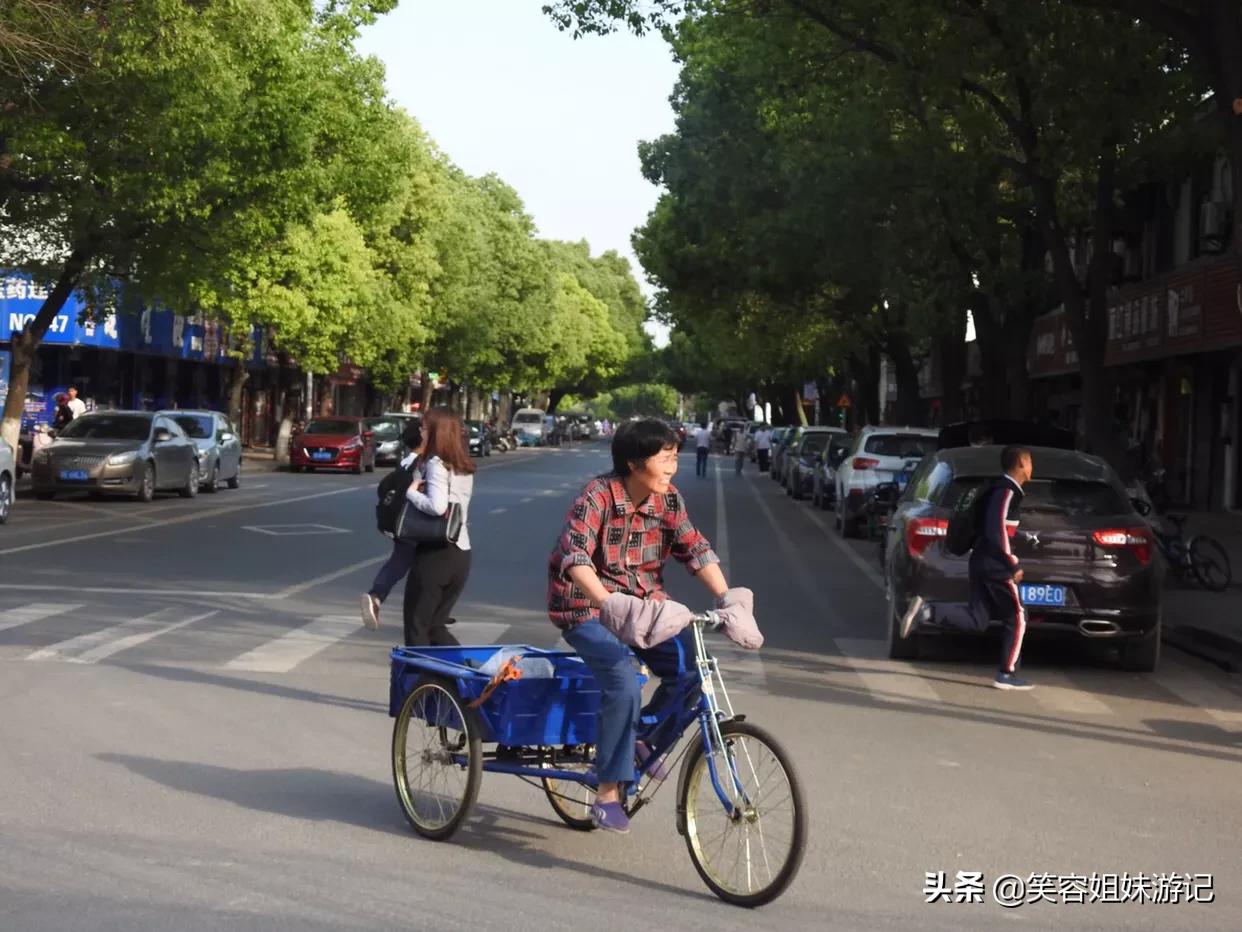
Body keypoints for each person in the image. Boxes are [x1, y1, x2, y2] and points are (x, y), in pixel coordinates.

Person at [547, 419, 758, 834]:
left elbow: (695, 548)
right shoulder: (597, 496)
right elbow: (575, 559)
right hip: (586, 609)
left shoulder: (669, 500)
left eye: (675, 457)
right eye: (664, 459)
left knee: (695, 671)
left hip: (646, 608)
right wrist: (609, 604)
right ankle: (608, 792)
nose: (672, 467)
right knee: (623, 679)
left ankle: (639, 739)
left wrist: (727, 600)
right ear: (633, 462)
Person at [401, 406, 475, 647]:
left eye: (423, 427)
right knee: (434, 627)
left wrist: (412, 493)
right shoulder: (463, 464)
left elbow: (438, 506)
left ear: (435, 431)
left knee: (417, 627)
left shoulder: (436, 463)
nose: (420, 433)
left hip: (436, 554)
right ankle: (459, 679)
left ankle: (420, 683)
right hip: (460, 552)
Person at [971, 445, 1034, 691]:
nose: (1031, 467)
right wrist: (1012, 562)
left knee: (977, 618)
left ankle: (927, 612)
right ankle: (1006, 674)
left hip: (982, 561)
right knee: (1018, 617)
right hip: (996, 565)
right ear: (1020, 462)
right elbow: (996, 530)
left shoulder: (1005, 490)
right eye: (1029, 462)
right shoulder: (1006, 491)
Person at [361, 420, 424, 630]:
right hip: (417, 524)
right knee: (429, 567)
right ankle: (432, 611)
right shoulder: (424, 464)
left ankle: (377, 596)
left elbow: (384, 489)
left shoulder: (405, 462)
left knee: (399, 562)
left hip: (399, 523)